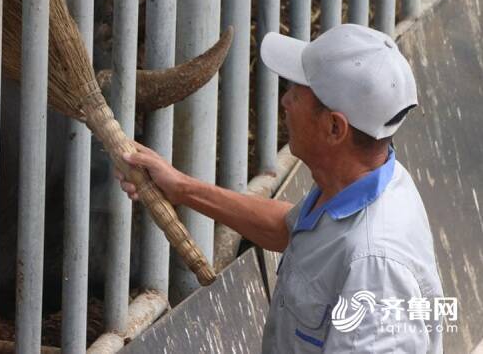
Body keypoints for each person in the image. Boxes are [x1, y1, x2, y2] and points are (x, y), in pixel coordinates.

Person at [115, 24, 444, 353]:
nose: (285, 100)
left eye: (298, 94)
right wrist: (181, 187)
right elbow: (291, 228)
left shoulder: (376, 267)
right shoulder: (363, 183)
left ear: (334, 127)